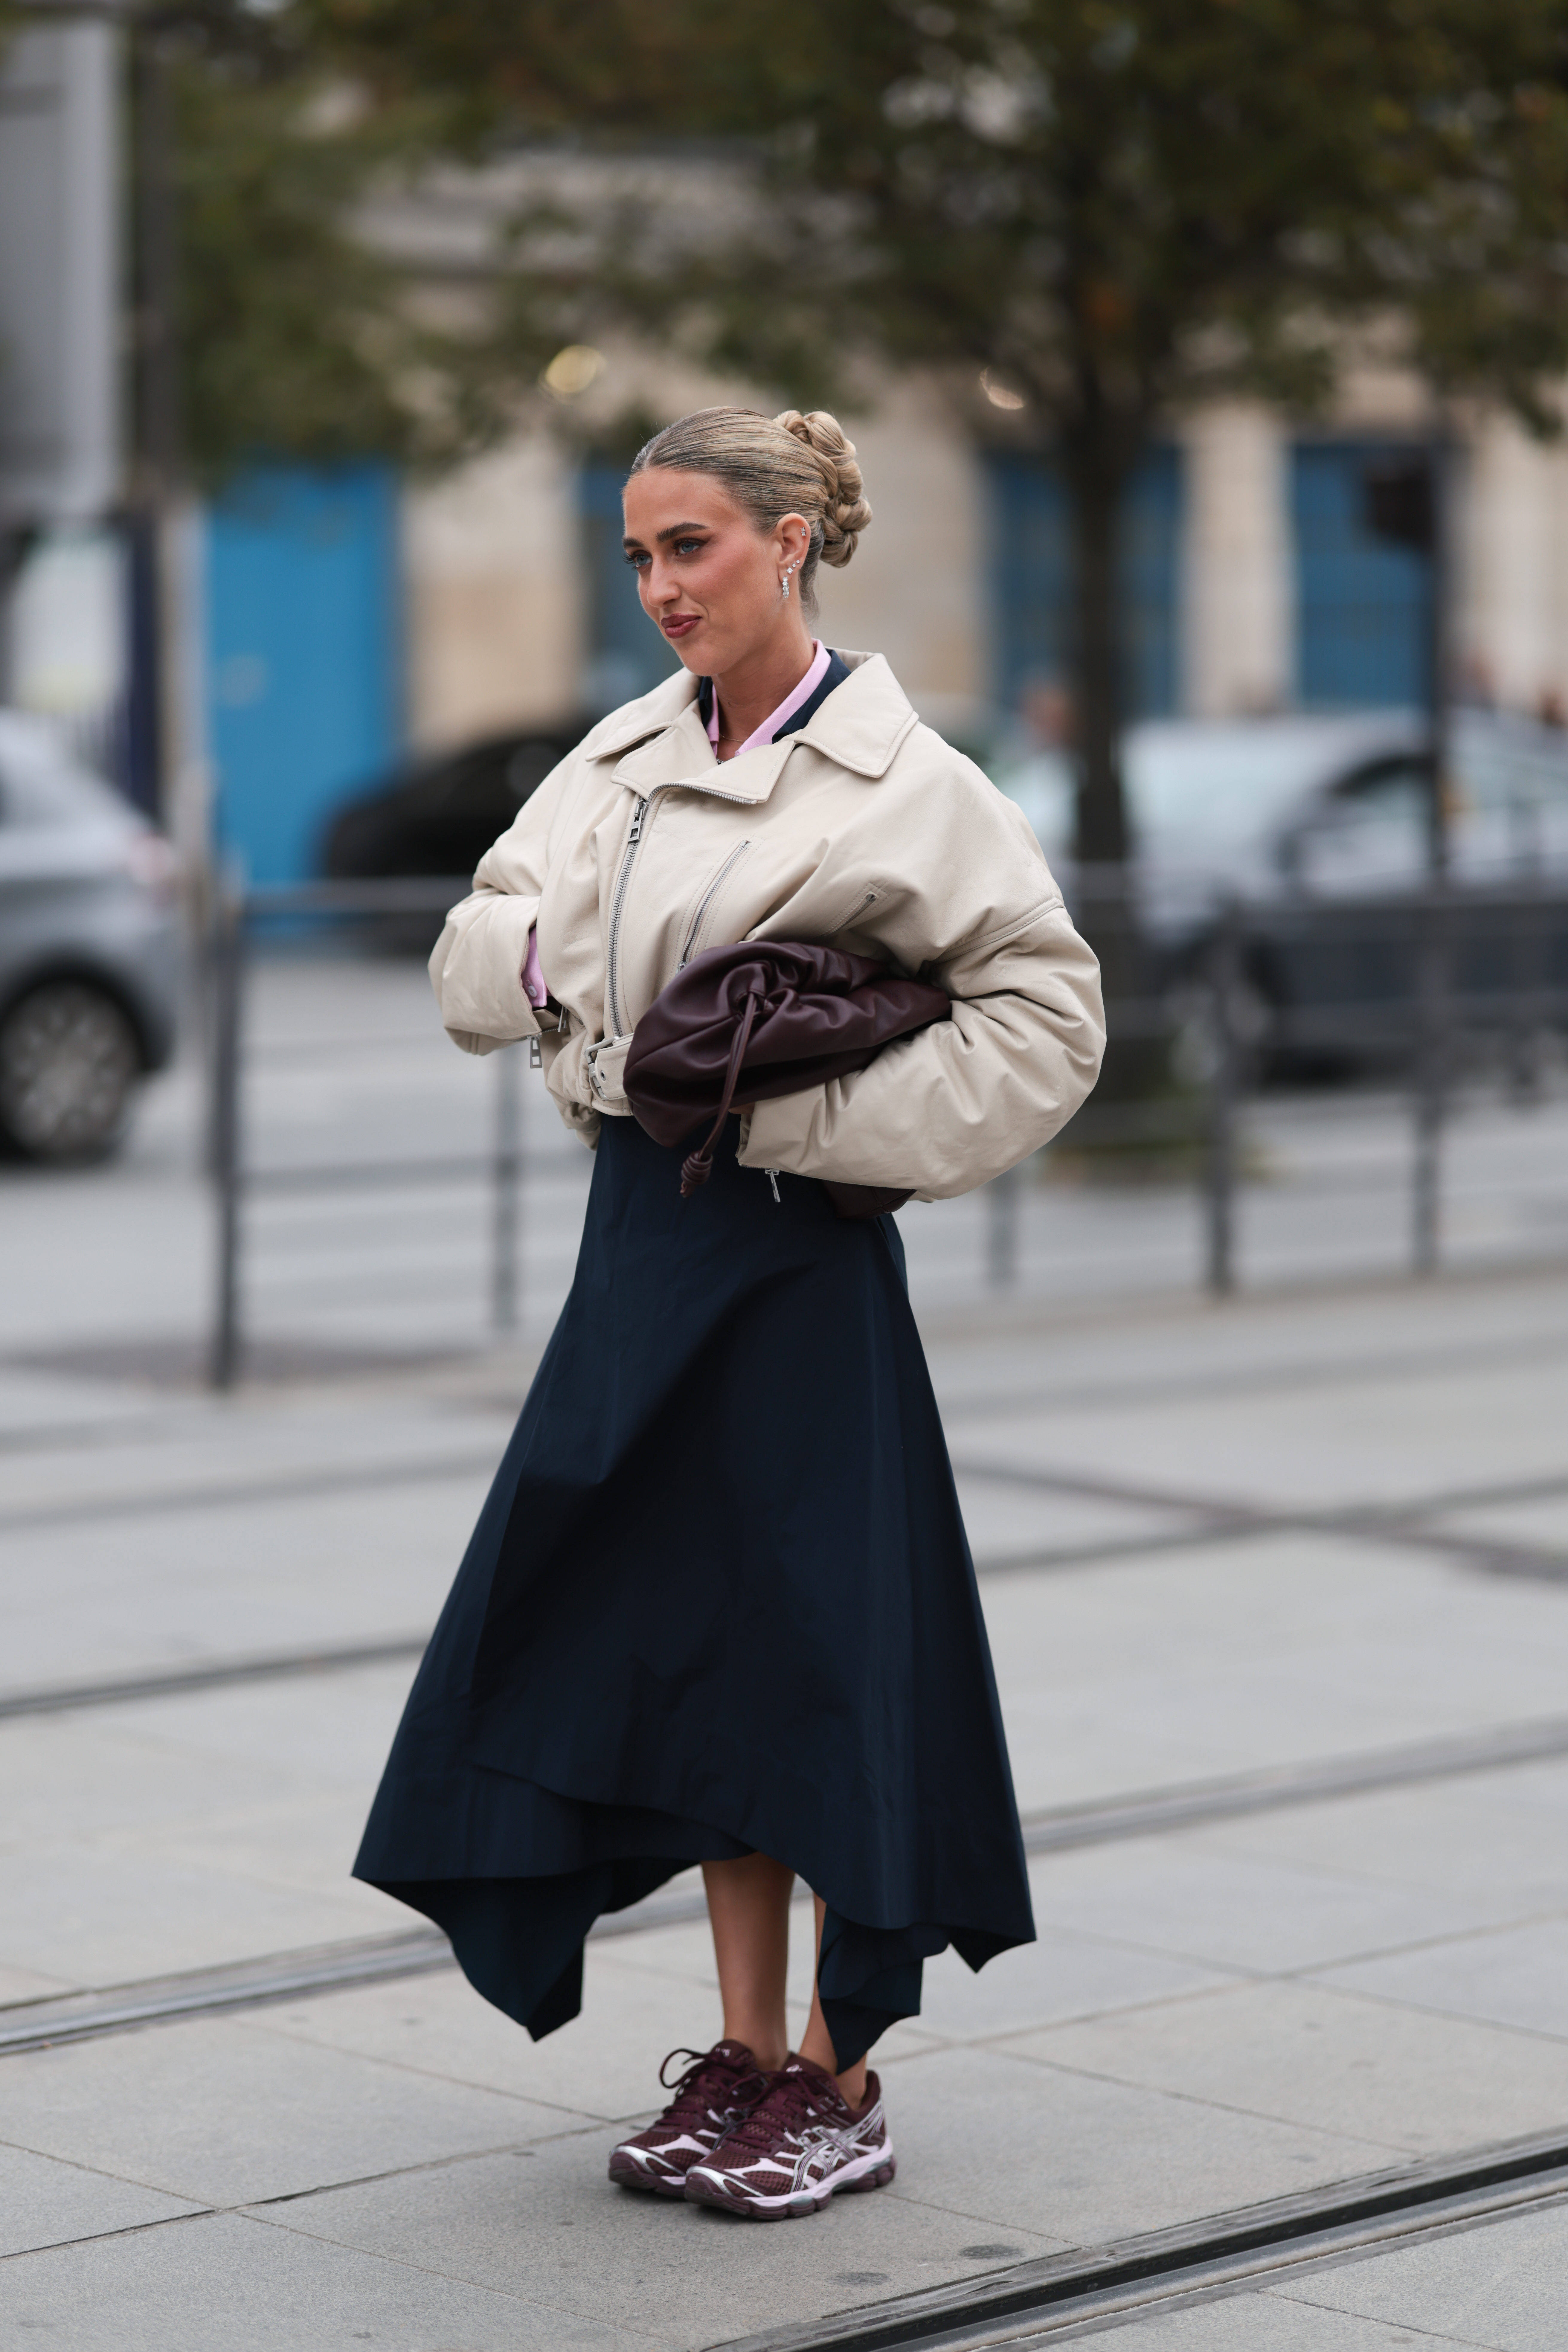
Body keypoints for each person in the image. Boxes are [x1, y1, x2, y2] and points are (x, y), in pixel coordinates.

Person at [354, 405, 1105, 2219]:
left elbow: (1052, 1016)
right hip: (641, 1254)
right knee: (681, 1650)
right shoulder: (613, 759)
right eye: (637, 553)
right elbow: (477, 945)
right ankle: (744, 2055)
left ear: (790, 542)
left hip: (794, 1271)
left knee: (817, 1660)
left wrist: (801, 1117)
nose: (660, 586)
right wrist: (553, 966)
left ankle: (839, 2077)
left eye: (690, 545)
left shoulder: (908, 781)